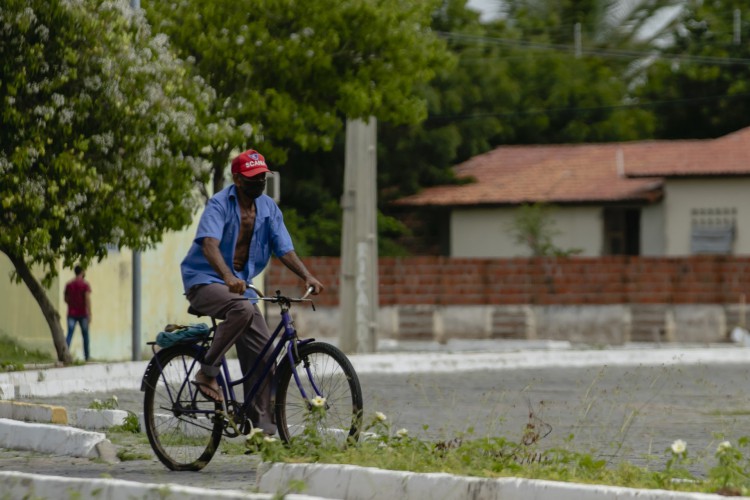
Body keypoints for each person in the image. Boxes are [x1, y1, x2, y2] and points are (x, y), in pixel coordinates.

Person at [180, 148, 324, 436]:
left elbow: (284, 248)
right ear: (237, 179)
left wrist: (306, 274)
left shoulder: (269, 208)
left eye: (262, 177)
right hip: (204, 281)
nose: (259, 182)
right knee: (243, 309)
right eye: (252, 178)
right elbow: (208, 243)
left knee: (265, 356)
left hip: (240, 289)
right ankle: (207, 372)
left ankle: (260, 428)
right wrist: (227, 275)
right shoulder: (220, 204)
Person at [64, 265, 92, 361]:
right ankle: (87, 356)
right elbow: (87, 299)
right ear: (82, 272)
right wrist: (90, 313)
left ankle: (65, 354)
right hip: (83, 313)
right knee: (85, 335)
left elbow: (65, 299)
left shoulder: (69, 284)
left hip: (71, 313)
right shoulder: (85, 285)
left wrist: (72, 304)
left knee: (69, 334)